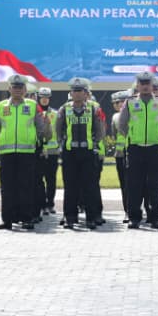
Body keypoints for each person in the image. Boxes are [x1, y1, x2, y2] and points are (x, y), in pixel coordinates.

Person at [117, 71, 158, 229]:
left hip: (155, 148)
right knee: (134, 185)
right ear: (137, 85)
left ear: (151, 85)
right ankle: (134, 218)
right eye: (141, 83)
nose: (144, 86)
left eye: (147, 83)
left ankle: (155, 218)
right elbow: (121, 124)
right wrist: (132, 135)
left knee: (155, 185)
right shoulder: (129, 102)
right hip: (135, 149)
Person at [0, 74, 49, 230]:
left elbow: (40, 128)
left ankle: (27, 218)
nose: (17, 90)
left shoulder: (32, 105)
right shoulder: (1, 106)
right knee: (7, 187)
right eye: (15, 87)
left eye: (20, 87)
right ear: (9, 89)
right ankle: (7, 220)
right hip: (7, 153)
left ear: (25, 89)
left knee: (26, 186)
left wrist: (34, 140)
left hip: (27, 153)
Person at [56, 77, 106, 229]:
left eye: (80, 91)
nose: (77, 94)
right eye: (75, 91)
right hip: (70, 153)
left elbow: (100, 130)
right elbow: (58, 129)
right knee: (70, 186)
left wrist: (95, 144)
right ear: (71, 93)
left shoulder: (93, 109)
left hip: (88, 153)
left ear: (86, 93)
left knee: (89, 186)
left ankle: (91, 218)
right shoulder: (64, 109)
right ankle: (70, 217)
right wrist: (62, 144)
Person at [35, 87, 60, 217]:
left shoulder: (55, 114)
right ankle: (41, 205)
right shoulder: (35, 113)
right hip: (39, 151)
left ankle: (50, 204)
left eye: (47, 97)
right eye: (42, 97)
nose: (44, 100)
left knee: (51, 180)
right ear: (38, 98)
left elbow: (59, 131)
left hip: (52, 151)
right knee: (39, 179)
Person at [109, 90, 130, 209]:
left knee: (125, 183)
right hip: (122, 153)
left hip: (124, 154)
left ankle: (128, 207)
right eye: (115, 103)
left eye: (118, 102)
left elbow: (113, 135)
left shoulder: (116, 117)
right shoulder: (116, 116)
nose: (116, 105)